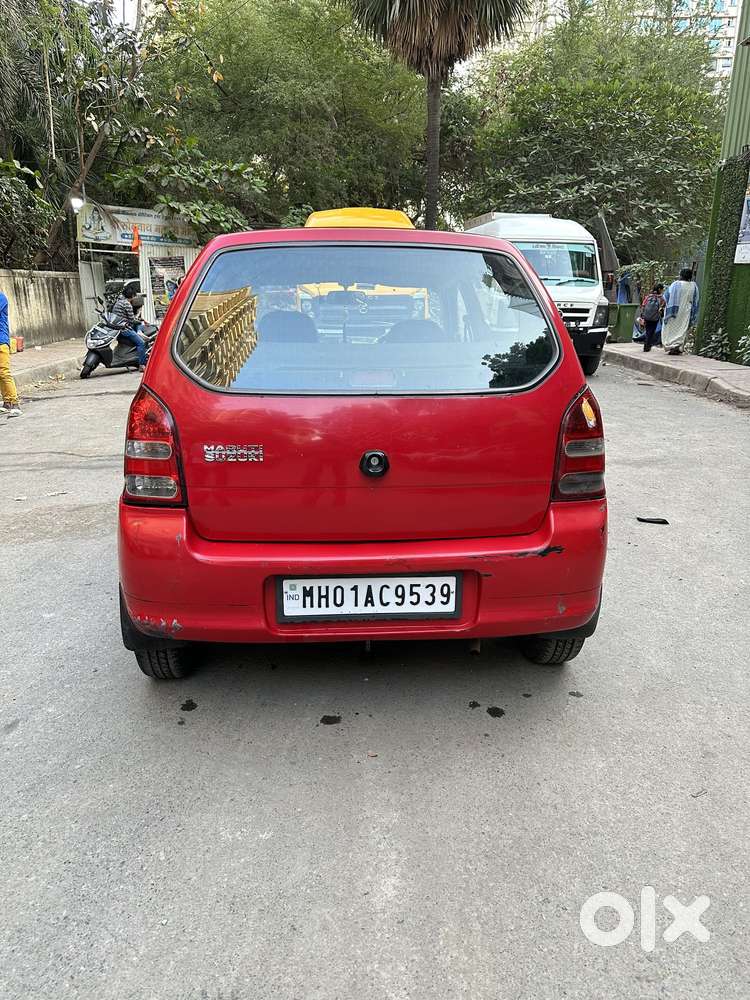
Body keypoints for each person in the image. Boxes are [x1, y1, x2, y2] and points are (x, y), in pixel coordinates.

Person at [662, 268, 700, 356]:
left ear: (681, 275)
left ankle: (672, 346)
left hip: (674, 311)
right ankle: (678, 347)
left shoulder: (676, 284)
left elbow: (666, 296)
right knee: (682, 329)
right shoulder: (694, 286)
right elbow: (696, 301)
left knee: (671, 329)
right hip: (686, 311)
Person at [111, 286, 147, 370]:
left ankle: (139, 332)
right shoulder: (127, 304)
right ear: (132, 296)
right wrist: (141, 320)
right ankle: (142, 365)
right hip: (124, 329)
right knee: (141, 343)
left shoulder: (118, 302)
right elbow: (132, 320)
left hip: (116, 328)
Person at [0, 290, 22, 417]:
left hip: (1, 341)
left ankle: (15, 402)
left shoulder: (1, 297)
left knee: (4, 372)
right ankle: (6, 402)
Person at [639, 283, 666, 353]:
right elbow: (663, 306)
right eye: (662, 289)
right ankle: (648, 346)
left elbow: (643, 305)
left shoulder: (648, 297)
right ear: (659, 289)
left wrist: (643, 315)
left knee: (648, 331)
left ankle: (646, 346)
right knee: (652, 331)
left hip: (647, 316)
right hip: (655, 317)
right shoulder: (661, 298)